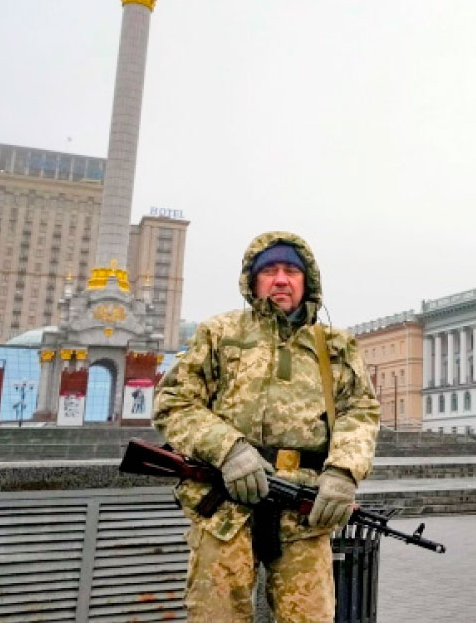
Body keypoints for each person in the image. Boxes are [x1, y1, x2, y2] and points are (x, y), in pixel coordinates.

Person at [153, 231, 380, 622]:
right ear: (252, 280)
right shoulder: (220, 333)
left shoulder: (335, 345)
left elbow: (360, 410)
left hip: (303, 512)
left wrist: (343, 473)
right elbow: (173, 401)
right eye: (269, 270)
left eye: (291, 270)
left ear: (307, 280)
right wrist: (229, 450)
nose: (280, 279)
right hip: (224, 507)